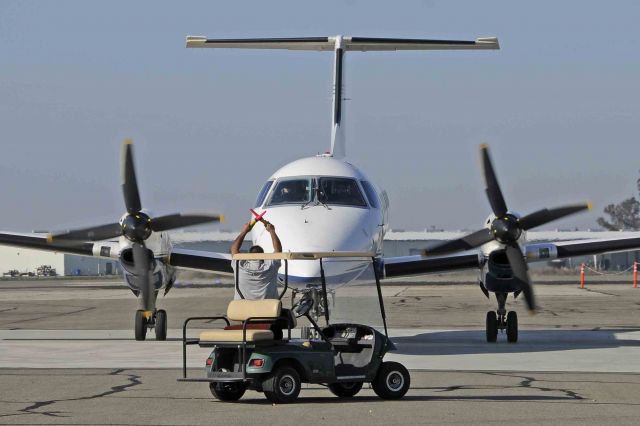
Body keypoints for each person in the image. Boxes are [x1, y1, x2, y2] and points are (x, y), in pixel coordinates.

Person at [230, 219, 282, 300]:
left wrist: (244, 231)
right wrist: (272, 231)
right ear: (263, 256)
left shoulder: (240, 266)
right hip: (268, 309)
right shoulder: (270, 267)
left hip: (243, 309)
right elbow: (278, 250)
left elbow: (234, 248)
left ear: (249, 256)